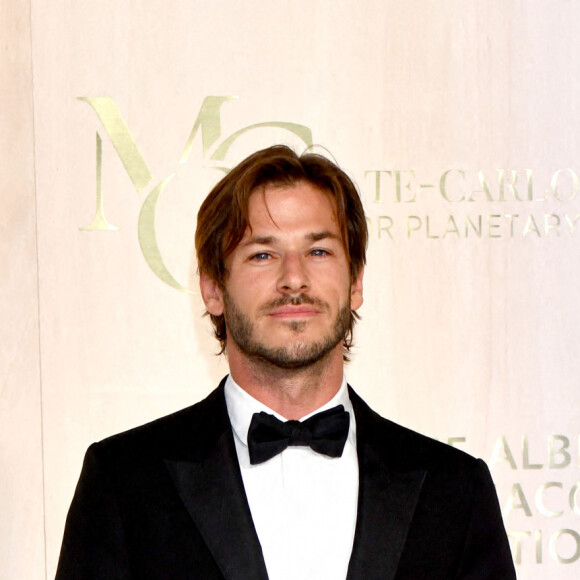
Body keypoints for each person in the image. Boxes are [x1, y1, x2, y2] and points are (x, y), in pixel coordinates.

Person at [56, 145, 515, 579]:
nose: (294, 278)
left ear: (355, 281)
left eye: (318, 251)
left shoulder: (455, 490)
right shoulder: (123, 483)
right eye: (262, 254)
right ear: (213, 288)